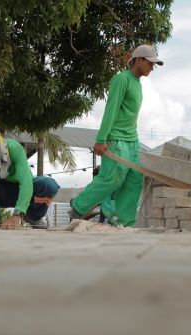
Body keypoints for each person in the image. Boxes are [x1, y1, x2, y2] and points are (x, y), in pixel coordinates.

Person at [68, 44, 163, 227]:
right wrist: (101, 140)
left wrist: (134, 142)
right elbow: (111, 110)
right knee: (112, 178)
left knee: (134, 181)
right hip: (116, 139)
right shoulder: (122, 79)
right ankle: (79, 208)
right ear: (139, 60)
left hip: (132, 141)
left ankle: (126, 224)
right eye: (150, 63)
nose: (152, 68)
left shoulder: (138, 84)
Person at [0, 121, 59, 230]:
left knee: (49, 185)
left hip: (24, 192)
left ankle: (33, 217)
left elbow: (26, 182)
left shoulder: (14, 149)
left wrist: (17, 215)